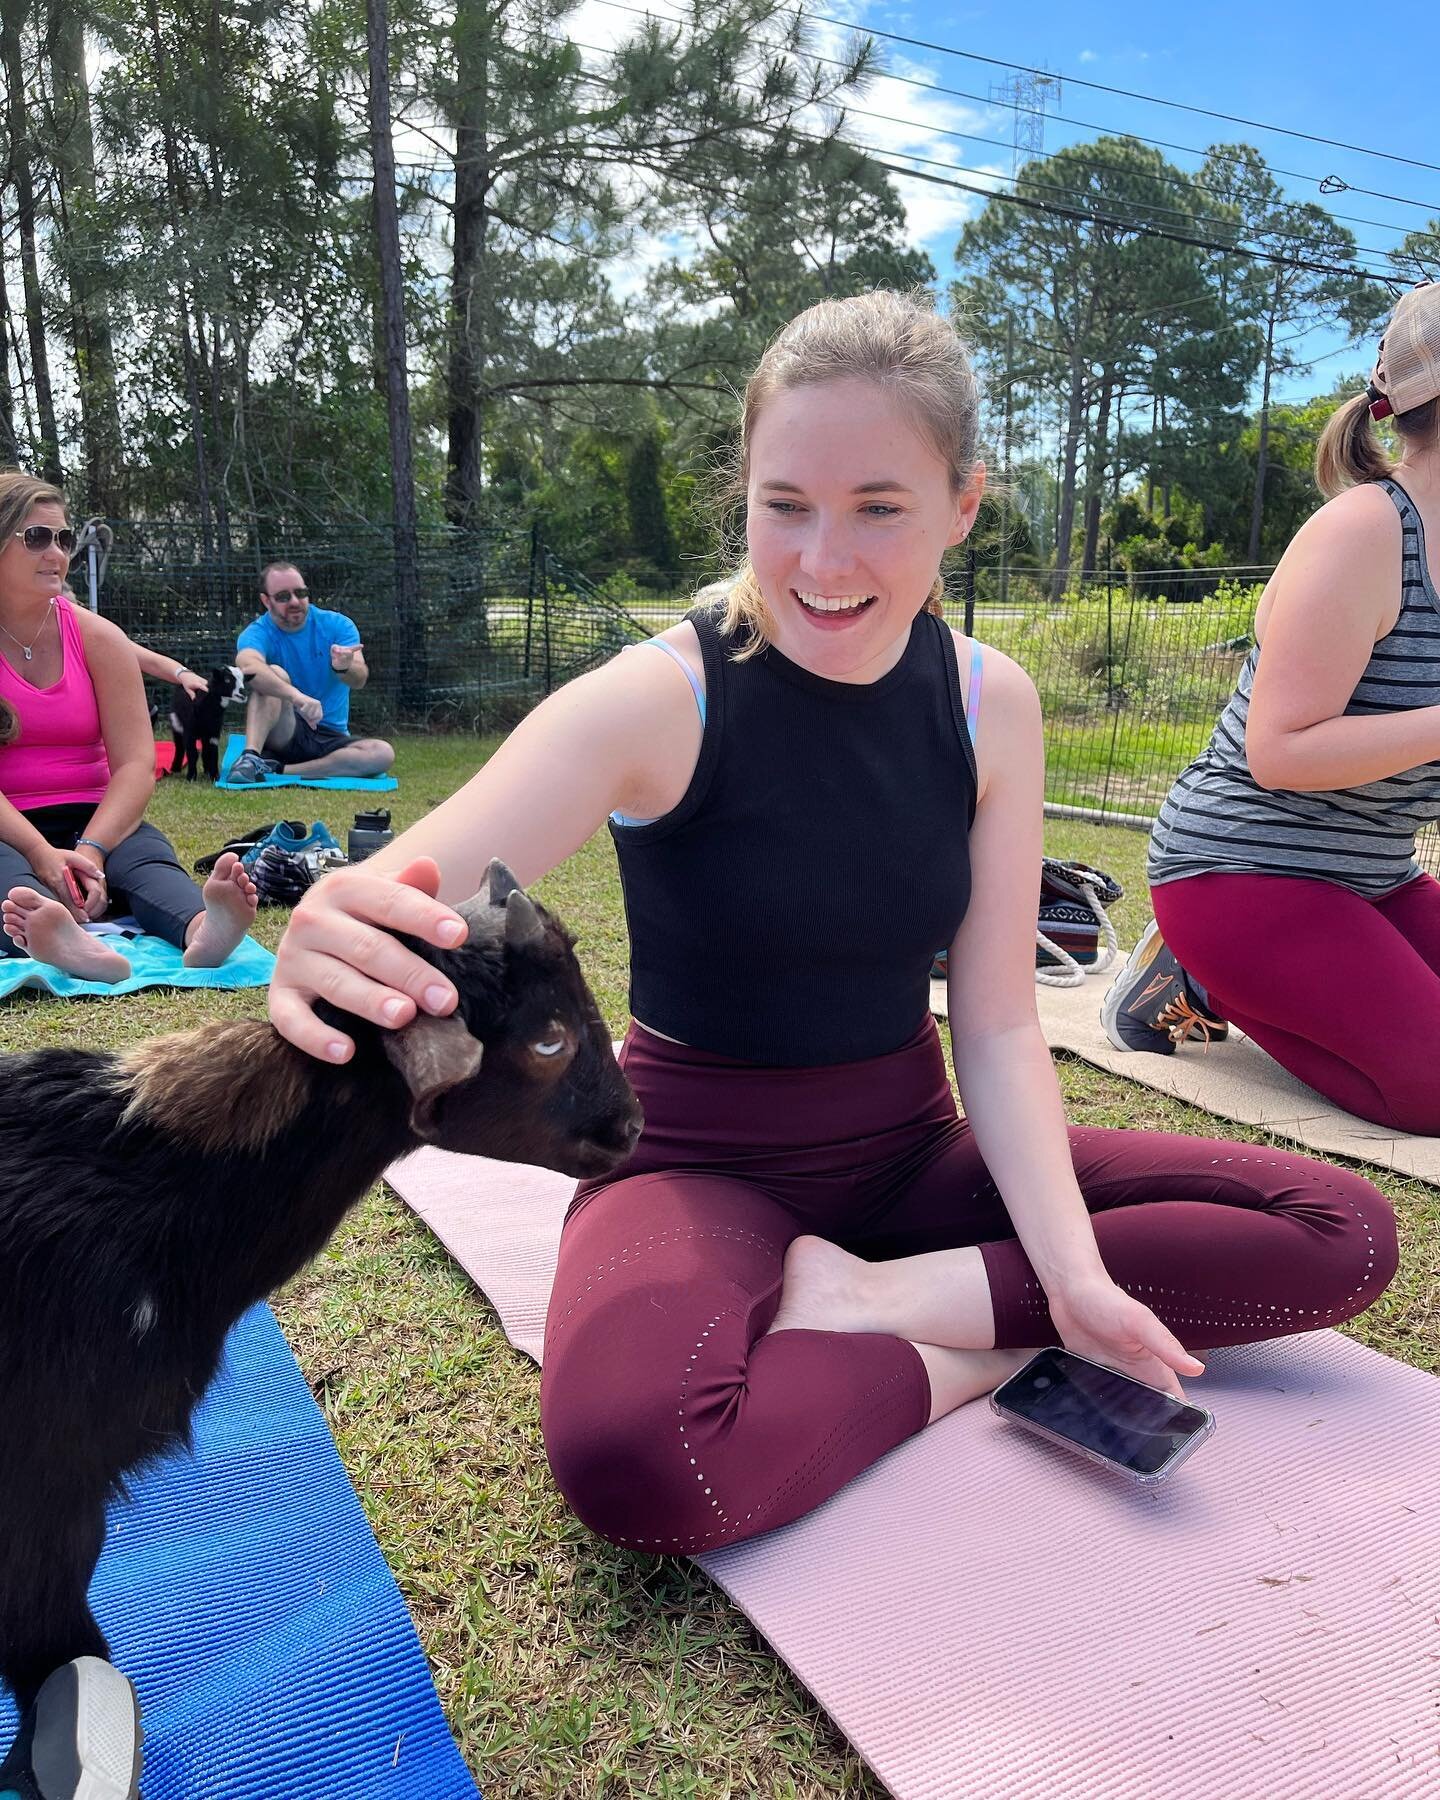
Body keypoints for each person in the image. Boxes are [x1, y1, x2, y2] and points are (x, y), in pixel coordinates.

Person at [266, 292, 1398, 1556]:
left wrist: (1071, 1275)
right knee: (643, 1458)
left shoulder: (990, 703)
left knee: (1342, 1234)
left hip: (915, 1157)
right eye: (784, 505)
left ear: (963, 508)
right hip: (693, 1164)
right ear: (742, 494)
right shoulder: (660, 697)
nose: (822, 560)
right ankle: (965, 1362)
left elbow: (1004, 1026)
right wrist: (328, 925)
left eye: (879, 508)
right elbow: (409, 890)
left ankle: (878, 1297)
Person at [1105, 282, 1440, 1137]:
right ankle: (1200, 973)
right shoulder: (1365, 534)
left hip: (1375, 878)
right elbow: (1281, 752)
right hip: (1244, 868)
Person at [0, 472, 258, 984]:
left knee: (144, 860)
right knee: (12, 884)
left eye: (64, 538)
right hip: (8, 827)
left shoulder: (99, 638)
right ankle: (59, 940)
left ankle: (203, 929)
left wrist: (91, 851)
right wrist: (39, 852)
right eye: (37, 537)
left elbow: (137, 764)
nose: (57, 552)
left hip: (98, 818)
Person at [228, 562, 394, 784]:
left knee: (382, 753)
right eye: (283, 596)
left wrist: (343, 666)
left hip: (331, 736)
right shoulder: (258, 632)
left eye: (300, 593)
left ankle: (280, 770)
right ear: (266, 601)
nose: (295, 601)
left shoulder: (337, 625)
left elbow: (359, 679)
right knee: (272, 674)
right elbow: (249, 667)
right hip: (287, 732)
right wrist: (297, 697)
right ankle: (251, 757)